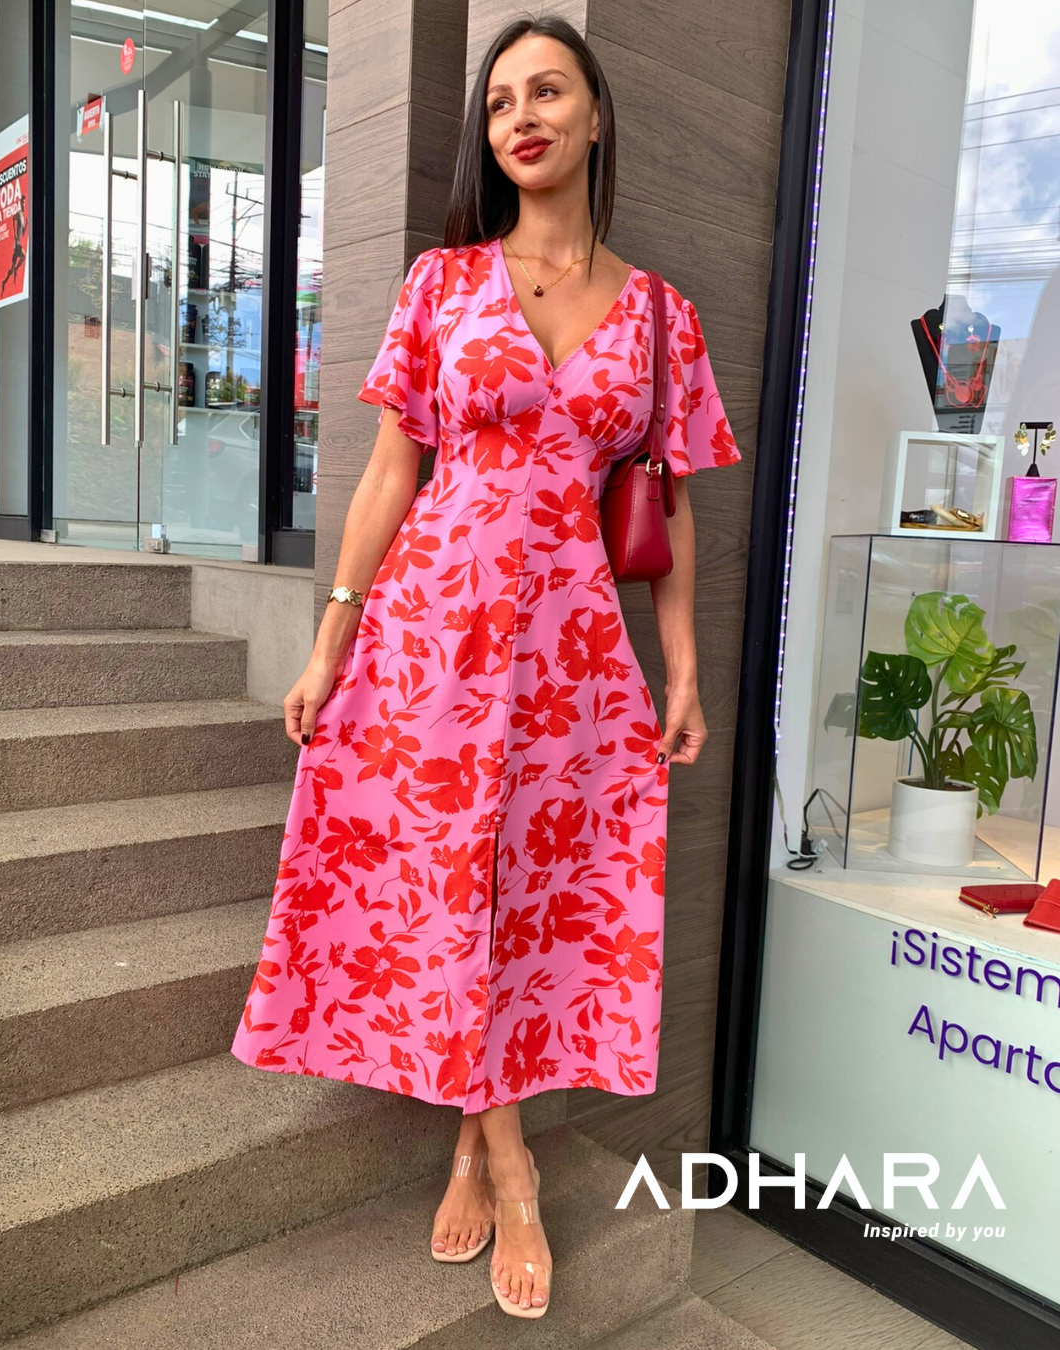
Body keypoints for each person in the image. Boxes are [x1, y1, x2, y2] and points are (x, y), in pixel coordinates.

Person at [230, 12, 742, 1320]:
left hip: (572, 650)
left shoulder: (662, 318)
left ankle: (470, 1133)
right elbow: (390, 473)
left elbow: (668, 509)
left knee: (532, 886)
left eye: (549, 90)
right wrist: (332, 634)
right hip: (431, 635)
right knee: (450, 874)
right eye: (503, 99)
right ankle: (509, 1158)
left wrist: (683, 669)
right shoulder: (441, 285)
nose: (523, 116)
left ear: (594, 116)